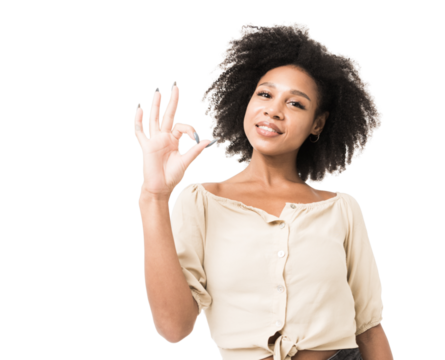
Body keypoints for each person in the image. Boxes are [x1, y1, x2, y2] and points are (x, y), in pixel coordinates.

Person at [138, 20, 390, 360]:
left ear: (318, 123)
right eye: (265, 94)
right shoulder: (203, 201)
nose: (273, 109)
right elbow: (174, 329)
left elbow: (370, 328)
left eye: (296, 103)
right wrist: (154, 198)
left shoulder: (341, 208)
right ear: (246, 99)